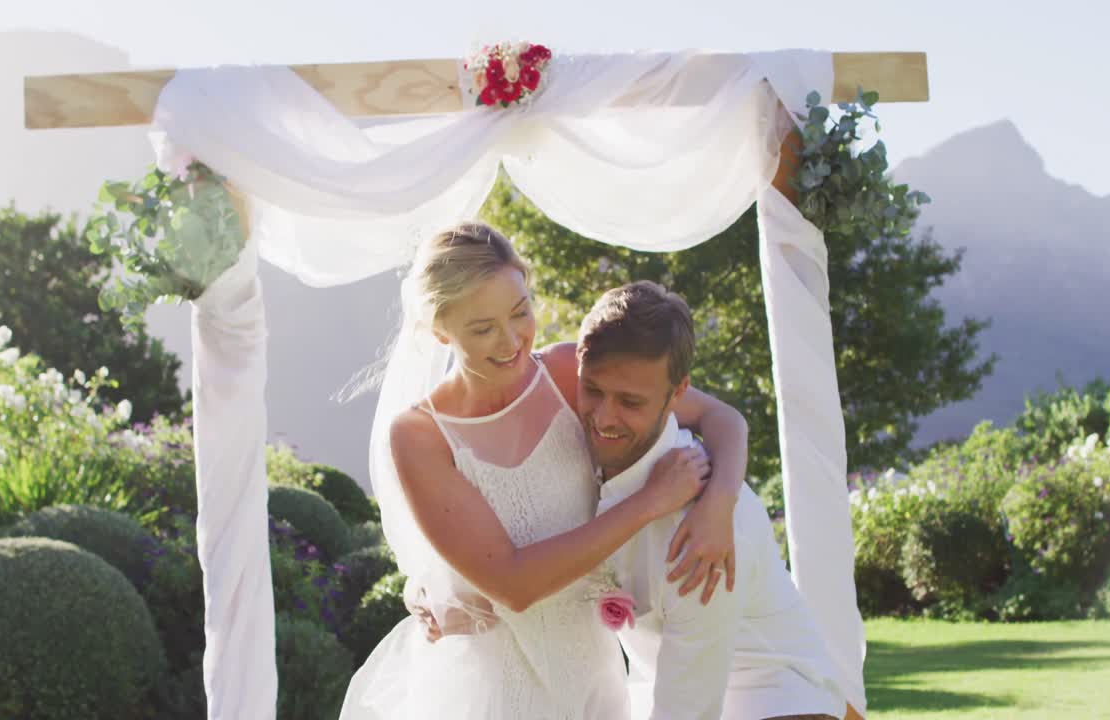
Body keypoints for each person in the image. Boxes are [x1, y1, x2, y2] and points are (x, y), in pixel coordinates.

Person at [337, 222, 751, 719]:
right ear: (440, 328)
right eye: (483, 327)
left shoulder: (562, 373)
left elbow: (720, 417)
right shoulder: (421, 436)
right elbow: (513, 585)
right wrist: (649, 504)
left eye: (520, 311)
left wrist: (719, 505)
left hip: (593, 675)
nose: (511, 340)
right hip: (498, 686)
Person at [575, 282, 847, 720]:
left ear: (677, 394)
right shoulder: (578, 444)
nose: (604, 417)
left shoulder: (705, 536)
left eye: (630, 402)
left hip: (776, 702)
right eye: (593, 390)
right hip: (669, 685)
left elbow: (687, 711)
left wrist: (719, 501)